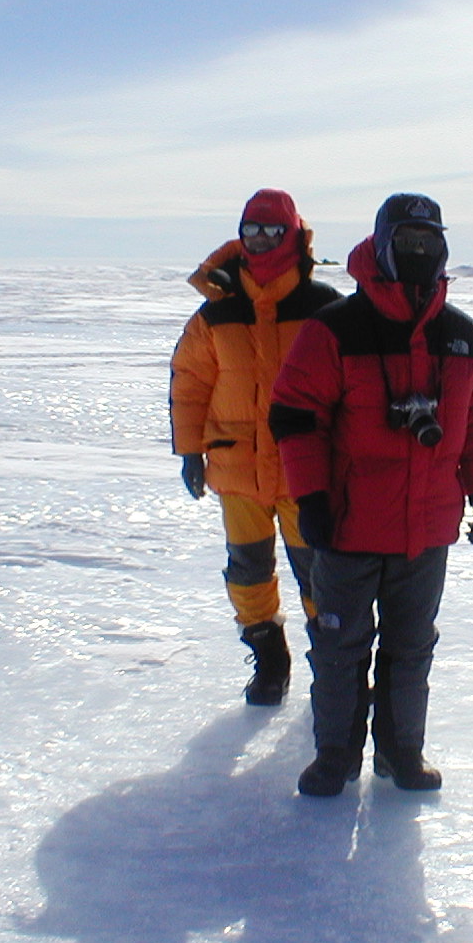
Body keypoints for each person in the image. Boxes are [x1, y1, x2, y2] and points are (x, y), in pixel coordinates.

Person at [270, 193, 473, 796]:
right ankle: (335, 757)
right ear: (382, 246)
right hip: (346, 528)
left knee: (411, 648)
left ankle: (402, 754)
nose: (419, 252)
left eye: (430, 241)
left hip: (426, 532)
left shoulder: (463, 338)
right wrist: (311, 499)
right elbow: (295, 417)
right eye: (407, 240)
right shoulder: (334, 330)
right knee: (338, 647)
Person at [169, 189, 342, 705]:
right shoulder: (216, 313)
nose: (261, 239)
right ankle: (269, 659)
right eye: (252, 230)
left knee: (320, 574)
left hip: (305, 471)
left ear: (293, 235)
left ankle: (332, 664)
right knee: (247, 570)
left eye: (272, 230)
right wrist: (190, 450)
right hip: (236, 467)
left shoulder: (324, 307)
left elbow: (350, 387)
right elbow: (190, 383)